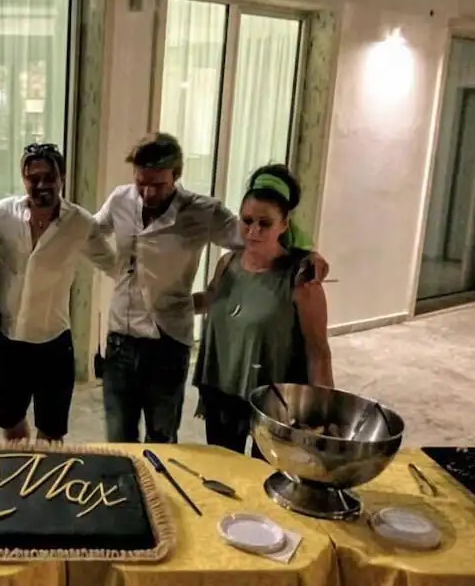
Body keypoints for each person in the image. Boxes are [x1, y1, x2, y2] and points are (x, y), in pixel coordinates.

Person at [94, 133, 328, 444]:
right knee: (117, 438)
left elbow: (253, 235)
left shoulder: (202, 211)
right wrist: (111, 266)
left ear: (176, 175)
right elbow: (89, 231)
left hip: (168, 341)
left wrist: (307, 253)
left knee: (162, 439)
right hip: (120, 339)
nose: (148, 193)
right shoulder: (120, 200)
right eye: (141, 182)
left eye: (158, 184)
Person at [192, 164, 333, 454]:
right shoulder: (227, 264)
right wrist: (163, 302)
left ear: (284, 224)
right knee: (222, 467)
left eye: (265, 223)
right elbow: (212, 299)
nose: (253, 231)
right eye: (247, 221)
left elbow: (318, 351)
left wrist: (324, 414)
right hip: (223, 392)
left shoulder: (302, 280)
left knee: (265, 474)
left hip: (275, 404)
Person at [0, 143, 116, 442]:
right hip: (7, 341)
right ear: (23, 178)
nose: (42, 185)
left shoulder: (80, 223)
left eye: (50, 177)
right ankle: (20, 471)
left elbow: (114, 266)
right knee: (12, 427)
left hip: (53, 345)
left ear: (62, 178)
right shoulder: (2, 214)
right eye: (34, 178)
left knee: (52, 434)